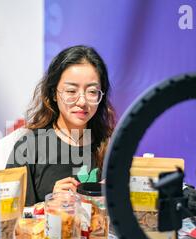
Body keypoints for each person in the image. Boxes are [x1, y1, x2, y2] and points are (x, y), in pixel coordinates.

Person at [7, 45, 116, 206]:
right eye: (71, 91)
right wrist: (49, 204)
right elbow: (11, 218)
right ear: (54, 94)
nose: (82, 101)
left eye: (92, 92)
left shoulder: (111, 146)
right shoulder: (28, 148)